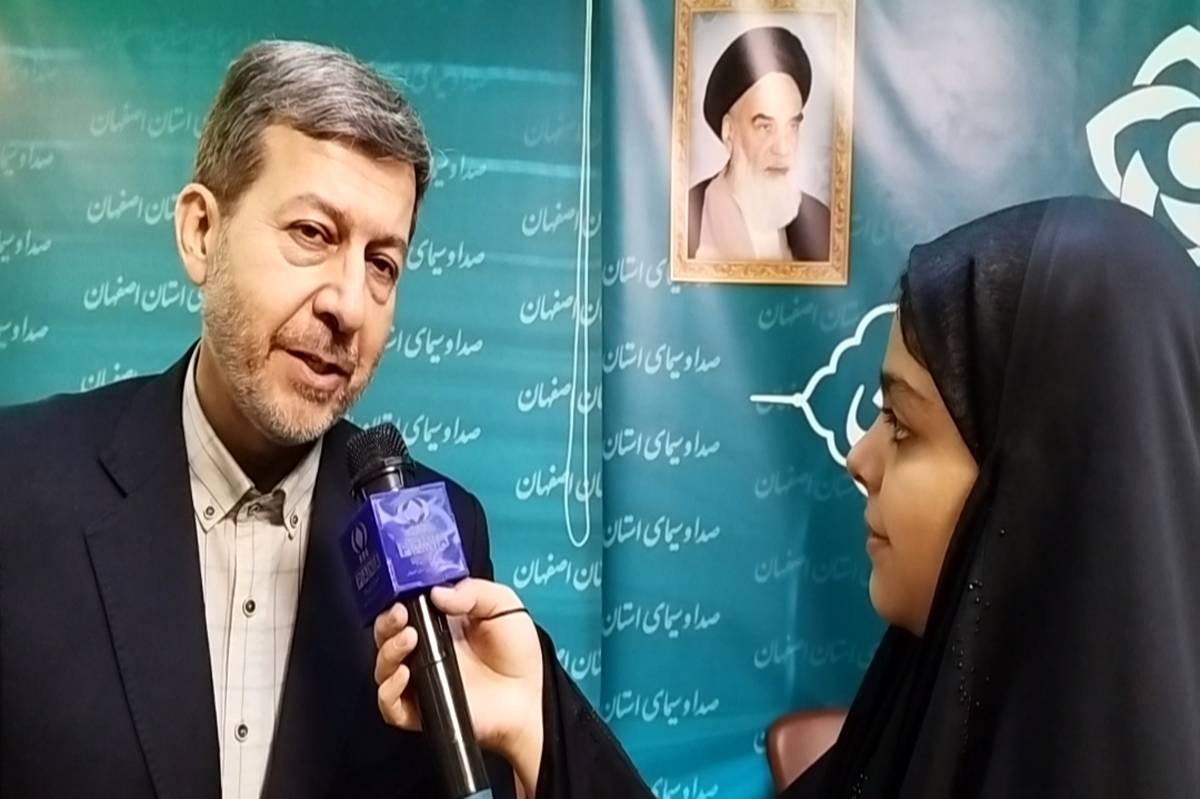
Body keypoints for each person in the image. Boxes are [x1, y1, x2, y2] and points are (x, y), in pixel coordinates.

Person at [375, 196, 1200, 797]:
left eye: (902, 425)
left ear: (1040, 485)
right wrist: (535, 719)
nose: (860, 457)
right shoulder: (910, 721)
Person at [0, 40, 516, 798]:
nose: (349, 305)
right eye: (313, 234)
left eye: (382, 263)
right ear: (201, 233)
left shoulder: (440, 533)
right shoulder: (18, 482)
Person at [688, 26, 831, 262]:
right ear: (729, 132)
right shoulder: (685, 218)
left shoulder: (821, 223)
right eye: (766, 127)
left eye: (792, 126)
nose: (783, 149)